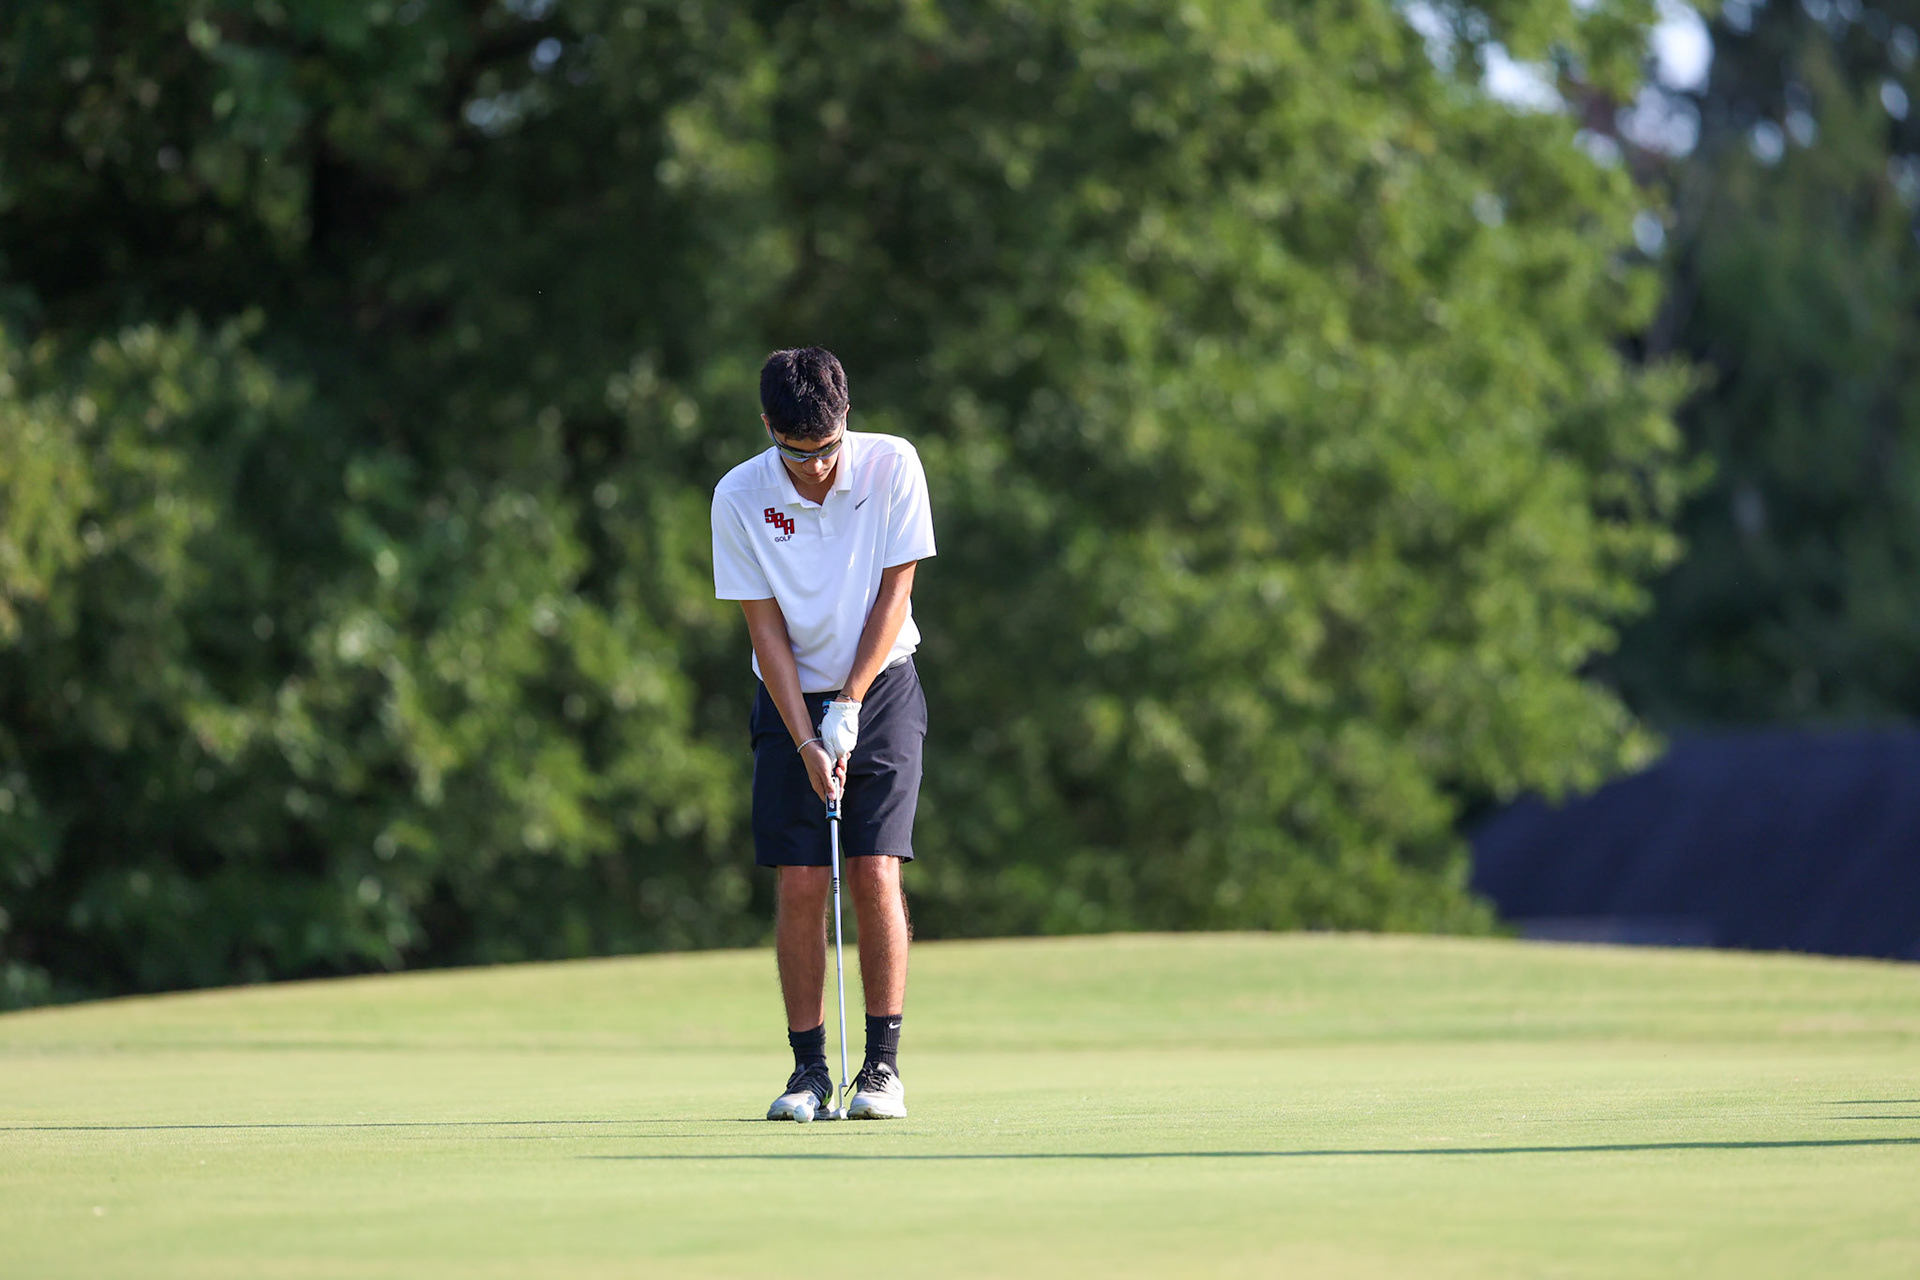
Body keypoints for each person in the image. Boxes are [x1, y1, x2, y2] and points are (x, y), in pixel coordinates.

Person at [710, 346, 935, 1122]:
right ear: (767, 427)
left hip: (884, 683)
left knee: (874, 869)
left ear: (846, 421)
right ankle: (809, 1071)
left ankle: (881, 1069)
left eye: (827, 448)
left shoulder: (893, 465)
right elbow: (765, 629)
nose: (815, 467)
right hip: (787, 700)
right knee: (802, 880)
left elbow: (896, 593)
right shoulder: (739, 496)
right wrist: (807, 738)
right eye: (796, 452)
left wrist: (850, 703)